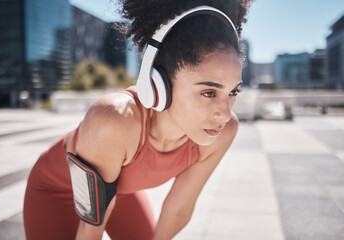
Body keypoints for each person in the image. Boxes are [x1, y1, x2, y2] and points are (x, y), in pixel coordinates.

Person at [23, 0, 254, 239]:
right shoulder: (114, 119)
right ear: (158, 84)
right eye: (208, 93)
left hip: (119, 191)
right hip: (56, 189)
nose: (225, 114)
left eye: (233, 91)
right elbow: (90, 230)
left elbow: (177, 210)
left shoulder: (223, 131)